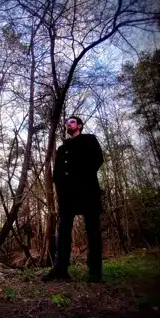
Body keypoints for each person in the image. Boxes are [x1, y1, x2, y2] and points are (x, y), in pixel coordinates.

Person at [42, 116, 104, 283]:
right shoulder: (62, 149)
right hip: (67, 195)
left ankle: (95, 272)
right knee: (63, 231)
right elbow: (56, 174)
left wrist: (80, 178)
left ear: (79, 126)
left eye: (72, 122)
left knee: (92, 230)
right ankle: (60, 268)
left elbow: (98, 159)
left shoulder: (89, 140)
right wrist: (61, 188)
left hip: (88, 190)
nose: (68, 124)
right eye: (67, 122)